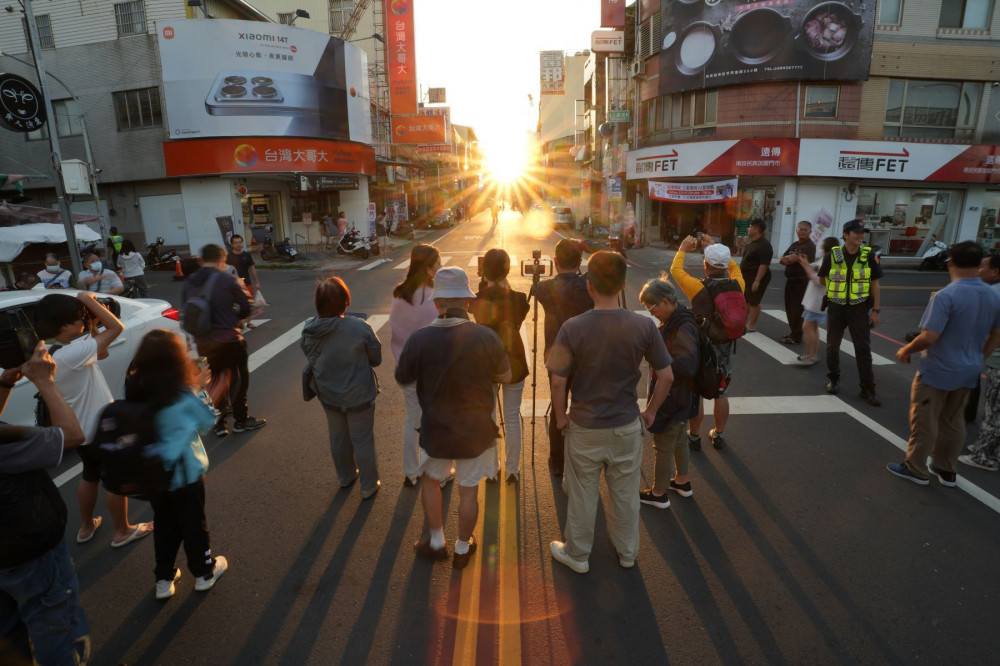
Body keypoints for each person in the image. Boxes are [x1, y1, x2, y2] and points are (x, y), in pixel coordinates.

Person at [547, 251, 672, 573]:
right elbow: (667, 376)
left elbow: (558, 381)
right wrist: (651, 411)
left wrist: (561, 418)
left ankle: (577, 555)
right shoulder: (644, 326)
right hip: (626, 424)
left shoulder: (572, 328)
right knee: (625, 494)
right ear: (621, 286)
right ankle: (627, 552)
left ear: (589, 286)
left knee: (582, 495)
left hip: (585, 427)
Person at [396, 267, 510, 569]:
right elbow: (506, 375)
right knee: (469, 489)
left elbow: (403, 376)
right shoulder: (486, 336)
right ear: (468, 302)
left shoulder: (419, 339)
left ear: (437, 303)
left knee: (432, 481)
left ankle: (435, 541)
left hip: (436, 428)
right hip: (475, 430)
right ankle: (462, 548)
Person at [36, 291, 154, 548]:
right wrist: (87, 299)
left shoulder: (52, 351)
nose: (82, 321)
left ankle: (87, 526)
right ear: (64, 323)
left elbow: (101, 353)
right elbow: (117, 327)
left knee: (90, 476)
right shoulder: (71, 355)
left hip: (80, 431)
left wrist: (90, 325)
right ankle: (122, 531)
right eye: (78, 318)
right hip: (101, 428)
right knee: (114, 480)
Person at [0, 343, 90, 665]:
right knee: (58, 635)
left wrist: (6, 383)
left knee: (9, 644)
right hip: (30, 553)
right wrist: (46, 382)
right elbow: (71, 436)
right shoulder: (6, 442)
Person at [125, 329, 229, 599]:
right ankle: (204, 572)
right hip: (185, 475)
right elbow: (207, 422)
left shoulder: (135, 387)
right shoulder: (182, 394)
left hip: (153, 473)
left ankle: (164, 578)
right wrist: (202, 388)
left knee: (165, 524)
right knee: (194, 524)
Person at [888, 241, 1000, 486]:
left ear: (950, 262)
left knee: (925, 420)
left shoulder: (946, 295)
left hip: (938, 369)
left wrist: (905, 350)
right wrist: (979, 358)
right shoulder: (992, 295)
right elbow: (996, 334)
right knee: (953, 419)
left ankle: (915, 467)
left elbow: (929, 336)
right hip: (969, 369)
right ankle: (946, 468)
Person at [301, 277, 383, 499]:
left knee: (338, 437)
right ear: (345, 301)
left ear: (318, 303)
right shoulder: (360, 327)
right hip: (359, 394)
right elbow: (376, 359)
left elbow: (308, 354)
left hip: (328, 393)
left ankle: (346, 476)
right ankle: (368, 485)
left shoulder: (309, 329)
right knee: (362, 439)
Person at [671, 235, 745, 450]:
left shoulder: (697, 288)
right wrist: (716, 247)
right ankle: (718, 433)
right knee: (722, 391)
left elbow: (676, 270)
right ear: (726, 264)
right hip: (726, 346)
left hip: (701, 348)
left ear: (705, 264)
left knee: (697, 391)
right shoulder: (738, 284)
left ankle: (694, 435)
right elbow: (735, 268)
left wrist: (683, 248)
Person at [183, 244, 265, 437]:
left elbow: (189, 312)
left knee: (212, 380)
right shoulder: (227, 278)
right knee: (238, 380)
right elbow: (246, 307)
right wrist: (233, 314)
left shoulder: (189, 282)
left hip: (204, 342)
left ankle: (218, 423)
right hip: (229, 340)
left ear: (202, 260)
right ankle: (241, 420)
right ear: (222, 260)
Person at [532, 239, 594, 475]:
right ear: (580, 263)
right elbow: (611, 262)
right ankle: (583, 460)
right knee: (584, 405)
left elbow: (537, 290)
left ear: (555, 262)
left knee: (558, 406)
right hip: (585, 355)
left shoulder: (544, 288)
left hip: (556, 354)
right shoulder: (588, 286)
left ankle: (557, 463)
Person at [637, 278, 700, 508]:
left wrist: (660, 360)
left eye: (652, 308)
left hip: (672, 395)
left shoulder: (681, 326)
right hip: (684, 395)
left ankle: (659, 493)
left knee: (662, 444)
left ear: (665, 301)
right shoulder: (682, 319)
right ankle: (682, 482)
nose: (652, 314)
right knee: (679, 438)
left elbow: (686, 365)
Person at [470, 248, 530, 484]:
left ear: (485, 271)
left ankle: (491, 470)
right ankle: (512, 469)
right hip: (514, 360)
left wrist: (483, 282)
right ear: (508, 269)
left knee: (489, 417)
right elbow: (516, 316)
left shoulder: (477, 300)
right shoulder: (519, 299)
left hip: (485, 362)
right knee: (512, 417)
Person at [389, 244, 443, 487]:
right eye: (437, 264)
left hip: (407, 366)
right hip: (432, 370)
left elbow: (396, 332)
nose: (439, 268)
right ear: (428, 268)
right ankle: (436, 473)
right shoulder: (434, 297)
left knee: (413, 419)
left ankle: (411, 471)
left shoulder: (399, 294)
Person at [818, 219, 883, 406]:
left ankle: (867, 388)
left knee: (863, 349)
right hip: (836, 308)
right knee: (832, 346)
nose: (861, 236)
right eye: (857, 232)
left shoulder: (869, 256)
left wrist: (876, 311)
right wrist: (836, 291)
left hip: (859, 308)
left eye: (863, 233)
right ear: (846, 235)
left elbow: (875, 284)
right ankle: (834, 379)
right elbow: (822, 279)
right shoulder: (832, 255)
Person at [960, 252, 1000, 471]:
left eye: (983, 266)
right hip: (994, 358)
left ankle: (986, 457)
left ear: (994, 271)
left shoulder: (991, 294)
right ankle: (987, 447)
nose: (979, 270)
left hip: (996, 361)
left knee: (994, 411)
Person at [796, 237, 839, 364]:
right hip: (817, 300)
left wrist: (806, 266)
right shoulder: (828, 258)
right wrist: (807, 263)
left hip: (817, 300)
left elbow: (819, 280)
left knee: (807, 327)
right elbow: (817, 266)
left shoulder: (830, 259)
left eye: (823, 245)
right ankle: (812, 354)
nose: (821, 247)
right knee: (813, 327)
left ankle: (811, 355)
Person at [778, 221, 817, 344]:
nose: (803, 231)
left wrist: (789, 259)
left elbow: (792, 258)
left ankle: (796, 336)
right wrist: (787, 259)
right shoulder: (795, 244)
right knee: (790, 309)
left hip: (801, 282)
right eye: (800, 229)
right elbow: (782, 258)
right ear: (796, 230)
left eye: (805, 230)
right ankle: (793, 333)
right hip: (791, 281)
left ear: (810, 232)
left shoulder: (809, 245)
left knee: (797, 310)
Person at [740, 219, 773, 332]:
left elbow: (764, 265)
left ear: (757, 229)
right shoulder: (752, 243)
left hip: (757, 277)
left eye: (750, 227)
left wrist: (757, 281)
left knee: (754, 302)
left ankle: (751, 325)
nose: (748, 229)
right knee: (746, 300)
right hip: (747, 277)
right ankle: (742, 322)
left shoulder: (764, 245)